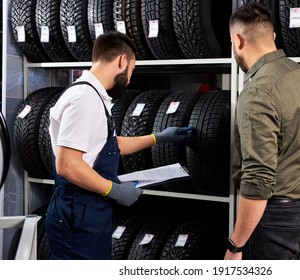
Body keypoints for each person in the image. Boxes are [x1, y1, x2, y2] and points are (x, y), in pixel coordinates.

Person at [45, 30, 191, 260]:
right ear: (122, 61)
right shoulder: (84, 99)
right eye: (132, 70)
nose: (130, 79)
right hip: (78, 213)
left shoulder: (94, 96)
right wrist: (113, 190)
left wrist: (158, 137)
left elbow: (109, 145)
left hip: (88, 211)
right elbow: (67, 164)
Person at [225, 2, 300, 260]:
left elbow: (258, 180)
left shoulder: (258, 92)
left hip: (274, 219)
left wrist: (235, 246)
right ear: (274, 37)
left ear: (238, 41)